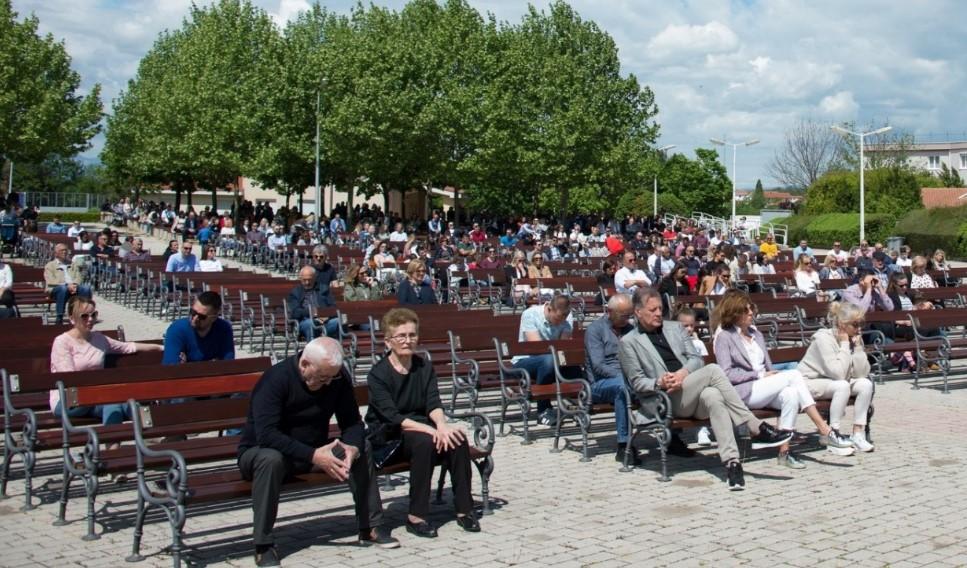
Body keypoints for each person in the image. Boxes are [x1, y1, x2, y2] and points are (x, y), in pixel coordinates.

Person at [238, 338, 399, 566]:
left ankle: (370, 526)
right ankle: (263, 544)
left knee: (364, 447)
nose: (326, 384)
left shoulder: (337, 378)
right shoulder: (276, 379)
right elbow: (267, 435)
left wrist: (351, 447)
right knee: (270, 459)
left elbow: (352, 422)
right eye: (322, 377)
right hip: (261, 453)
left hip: (312, 451)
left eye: (331, 377)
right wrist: (314, 456)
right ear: (304, 364)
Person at [618, 287, 793, 490]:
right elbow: (637, 382)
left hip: (692, 392)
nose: (658, 313)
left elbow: (696, 359)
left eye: (660, 308)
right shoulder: (628, 343)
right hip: (664, 399)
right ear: (638, 312)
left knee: (714, 396)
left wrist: (683, 373)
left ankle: (732, 464)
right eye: (652, 310)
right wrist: (660, 382)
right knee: (714, 370)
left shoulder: (674, 328)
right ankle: (756, 427)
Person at [365, 309, 479, 537]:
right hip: (390, 436)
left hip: (420, 429)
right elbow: (392, 417)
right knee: (425, 442)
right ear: (388, 341)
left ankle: (465, 509)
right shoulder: (378, 374)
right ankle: (416, 515)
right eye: (401, 336)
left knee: (456, 439)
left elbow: (433, 402)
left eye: (412, 335)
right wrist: (430, 429)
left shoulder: (423, 366)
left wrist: (442, 427)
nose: (408, 341)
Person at [712, 293, 854, 469]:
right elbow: (725, 374)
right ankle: (825, 430)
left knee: (791, 394)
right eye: (745, 310)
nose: (751, 313)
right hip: (743, 391)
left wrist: (771, 375)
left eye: (751, 309)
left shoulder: (756, 334)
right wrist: (759, 375)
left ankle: (784, 452)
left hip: (763, 387)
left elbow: (768, 366)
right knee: (793, 374)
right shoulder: (725, 337)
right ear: (734, 313)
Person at [50, 297, 162, 431]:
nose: (90, 319)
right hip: (68, 401)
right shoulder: (62, 342)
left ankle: (115, 449)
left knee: (116, 405)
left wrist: (160, 347)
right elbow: (69, 379)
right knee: (115, 399)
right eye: (84, 316)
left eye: (93, 315)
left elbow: (127, 347)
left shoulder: (99, 339)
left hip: (96, 397)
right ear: (72, 318)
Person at [798, 302, 876, 452]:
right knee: (842, 385)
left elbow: (861, 373)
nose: (859, 329)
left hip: (831, 382)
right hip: (809, 382)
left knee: (866, 384)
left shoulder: (854, 337)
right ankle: (833, 435)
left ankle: (858, 434)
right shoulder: (823, 339)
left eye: (862, 324)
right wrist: (845, 344)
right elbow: (838, 373)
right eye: (855, 324)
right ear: (842, 324)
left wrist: (858, 348)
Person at [584, 294, 637, 463]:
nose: (628, 319)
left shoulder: (630, 329)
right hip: (600, 384)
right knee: (622, 388)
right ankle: (624, 445)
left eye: (630, 315)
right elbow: (598, 366)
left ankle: (672, 437)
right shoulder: (595, 330)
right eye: (624, 315)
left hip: (630, 379)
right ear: (610, 311)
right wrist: (627, 377)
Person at [515, 295, 573, 425]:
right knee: (548, 361)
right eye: (557, 319)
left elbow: (563, 346)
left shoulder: (567, 317)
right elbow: (536, 347)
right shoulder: (530, 314)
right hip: (525, 360)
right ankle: (543, 410)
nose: (559, 323)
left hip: (552, 359)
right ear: (549, 309)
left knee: (574, 365)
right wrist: (556, 351)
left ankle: (579, 405)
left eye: (562, 320)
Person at [162, 291, 235, 364]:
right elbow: (171, 368)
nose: (195, 318)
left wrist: (187, 365)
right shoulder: (177, 329)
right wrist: (212, 363)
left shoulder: (224, 329)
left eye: (201, 317)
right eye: (193, 312)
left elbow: (227, 365)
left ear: (214, 318)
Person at [44, 243, 92, 325]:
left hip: (73, 287)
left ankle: (85, 314)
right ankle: (59, 316)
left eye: (66, 250)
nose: (64, 252)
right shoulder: (50, 265)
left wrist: (75, 285)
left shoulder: (72, 263)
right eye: (62, 250)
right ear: (56, 253)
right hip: (56, 289)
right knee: (63, 289)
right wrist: (67, 285)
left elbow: (79, 276)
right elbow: (51, 281)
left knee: (86, 288)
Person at [289, 266, 339, 340]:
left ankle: (339, 348)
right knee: (311, 324)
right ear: (300, 278)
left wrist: (327, 315)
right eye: (304, 280)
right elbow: (295, 312)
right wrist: (313, 313)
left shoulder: (324, 289)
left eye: (310, 280)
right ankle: (313, 349)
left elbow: (333, 306)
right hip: (305, 320)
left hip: (325, 321)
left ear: (315, 278)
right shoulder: (296, 292)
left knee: (339, 322)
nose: (307, 282)